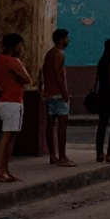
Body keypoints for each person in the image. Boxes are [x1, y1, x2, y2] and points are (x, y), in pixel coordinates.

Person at [0, 33, 31, 182]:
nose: (21, 48)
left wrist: (2, 88)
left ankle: (4, 170)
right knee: (7, 136)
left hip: (6, 100)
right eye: (20, 45)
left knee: (10, 136)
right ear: (14, 46)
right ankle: (0, 171)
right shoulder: (13, 61)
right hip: (13, 101)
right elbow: (27, 79)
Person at [40, 29, 75, 167]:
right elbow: (59, 75)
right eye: (67, 38)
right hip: (58, 95)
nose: (68, 40)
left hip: (49, 94)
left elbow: (43, 72)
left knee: (50, 125)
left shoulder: (49, 53)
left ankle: (52, 155)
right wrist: (65, 93)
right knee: (62, 125)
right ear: (61, 39)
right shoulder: (60, 53)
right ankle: (63, 157)